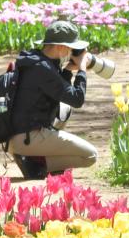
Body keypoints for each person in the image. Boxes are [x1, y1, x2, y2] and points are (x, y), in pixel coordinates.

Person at [7, 21, 98, 180]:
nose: (71, 51)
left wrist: (69, 69)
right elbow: (77, 99)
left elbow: (58, 92)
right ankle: (35, 163)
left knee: (64, 110)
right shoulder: (44, 69)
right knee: (90, 156)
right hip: (28, 138)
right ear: (60, 47)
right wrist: (82, 68)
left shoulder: (36, 61)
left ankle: (33, 157)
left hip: (17, 135)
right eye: (70, 47)